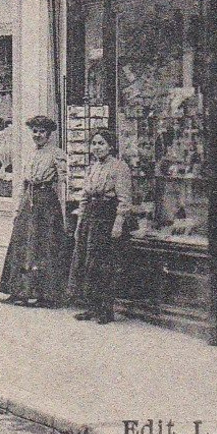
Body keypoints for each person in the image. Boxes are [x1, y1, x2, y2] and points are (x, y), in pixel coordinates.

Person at [0, 115, 70, 307]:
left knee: (43, 247)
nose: (38, 135)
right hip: (28, 202)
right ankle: (18, 292)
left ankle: (45, 296)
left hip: (46, 202)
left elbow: (64, 183)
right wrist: (17, 209)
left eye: (42, 132)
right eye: (35, 131)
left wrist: (63, 210)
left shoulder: (56, 154)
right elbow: (23, 183)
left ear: (49, 134)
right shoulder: (29, 154)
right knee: (21, 245)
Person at [69, 128, 134, 324]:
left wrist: (118, 224)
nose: (97, 147)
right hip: (91, 216)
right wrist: (80, 223)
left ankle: (106, 310)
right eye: (94, 143)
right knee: (87, 262)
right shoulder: (92, 168)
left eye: (101, 143)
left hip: (107, 216)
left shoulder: (119, 168)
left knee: (103, 265)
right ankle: (91, 307)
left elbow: (124, 200)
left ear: (110, 146)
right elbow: (85, 197)